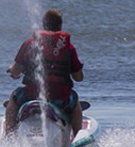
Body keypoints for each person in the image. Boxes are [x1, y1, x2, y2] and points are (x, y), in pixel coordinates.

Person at [5, 9, 84, 138]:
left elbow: (16, 70)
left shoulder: (29, 43)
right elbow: (78, 77)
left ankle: (8, 136)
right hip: (60, 98)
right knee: (75, 102)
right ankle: (76, 138)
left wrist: (11, 70)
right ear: (60, 25)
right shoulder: (68, 47)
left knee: (13, 98)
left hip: (31, 96)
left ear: (44, 25)